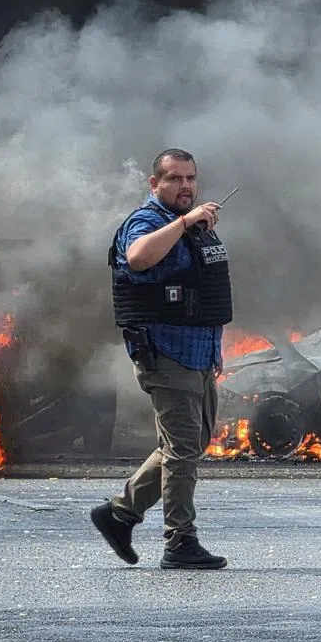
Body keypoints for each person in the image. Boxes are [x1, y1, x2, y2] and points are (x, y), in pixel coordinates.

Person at [91, 148, 230, 570]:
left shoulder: (195, 228)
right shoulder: (148, 222)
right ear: (155, 184)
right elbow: (138, 258)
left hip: (197, 353)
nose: (185, 186)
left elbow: (203, 292)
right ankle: (179, 540)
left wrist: (214, 349)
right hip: (165, 353)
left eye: (190, 178)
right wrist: (185, 222)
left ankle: (120, 513)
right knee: (183, 448)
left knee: (187, 444)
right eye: (174, 179)